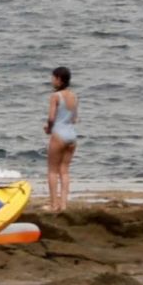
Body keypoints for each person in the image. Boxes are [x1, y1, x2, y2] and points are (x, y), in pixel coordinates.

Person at [45, 66, 79, 212]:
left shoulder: (55, 96)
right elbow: (75, 118)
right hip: (72, 135)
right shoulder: (74, 96)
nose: (52, 80)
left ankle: (54, 205)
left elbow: (52, 117)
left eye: (53, 78)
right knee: (64, 170)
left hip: (59, 133)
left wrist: (48, 128)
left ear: (59, 79)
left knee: (52, 170)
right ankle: (63, 205)